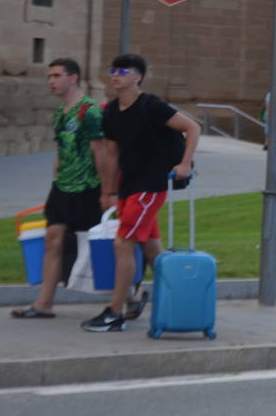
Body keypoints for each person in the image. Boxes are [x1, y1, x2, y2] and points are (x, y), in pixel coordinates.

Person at [83, 53, 200, 332]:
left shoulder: (152, 107)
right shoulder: (110, 112)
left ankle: (115, 312)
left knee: (123, 243)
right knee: (151, 247)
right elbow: (111, 154)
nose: (115, 75)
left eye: (123, 71)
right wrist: (108, 191)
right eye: (113, 70)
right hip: (128, 186)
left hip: (151, 186)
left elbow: (193, 128)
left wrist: (184, 164)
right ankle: (173, 299)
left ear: (137, 77)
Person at [11, 58, 106, 319]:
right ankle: (44, 304)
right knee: (53, 240)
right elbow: (61, 150)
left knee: (98, 246)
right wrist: (55, 179)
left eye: (56, 75)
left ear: (73, 78)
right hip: (62, 188)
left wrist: (108, 192)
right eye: (49, 77)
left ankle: (129, 297)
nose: (51, 81)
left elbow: (101, 152)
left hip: (88, 188)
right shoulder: (59, 112)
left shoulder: (90, 110)